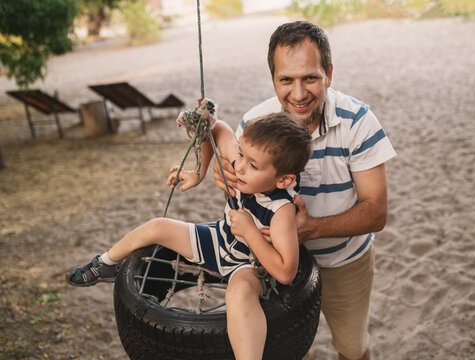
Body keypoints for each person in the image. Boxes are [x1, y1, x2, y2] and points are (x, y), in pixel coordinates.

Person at [213, 21, 396, 360]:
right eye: (286, 80)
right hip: (267, 263)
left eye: (310, 78)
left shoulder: (358, 122)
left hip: (344, 259)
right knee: (275, 349)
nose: (298, 94)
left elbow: (377, 211)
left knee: (353, 349)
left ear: (329, 72)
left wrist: (313, 229)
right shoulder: (253, 122)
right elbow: (241, 187)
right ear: (273, 78)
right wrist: (223, 174)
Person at [65, 111, 312, 360]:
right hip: (218, 239)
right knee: (158, 226)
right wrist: (199, 171)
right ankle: (105, 264)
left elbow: (285, 271)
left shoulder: (282, 211)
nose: (240, 167)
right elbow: (216, 130)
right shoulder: (243, 164)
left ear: (284, 180)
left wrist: (250, 232)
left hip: (247, 264)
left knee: (239, 295)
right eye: (242, 156)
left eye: (253, 165)